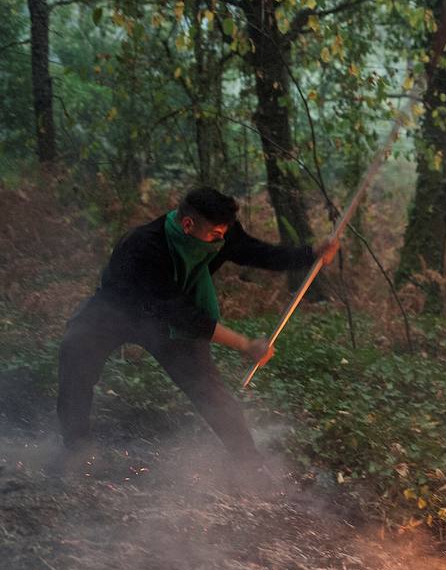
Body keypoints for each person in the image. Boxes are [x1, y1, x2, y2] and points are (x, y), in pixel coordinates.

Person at [53, 186, 338, 472]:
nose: (221, 242)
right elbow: (182, 315)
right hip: (118, 310)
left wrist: (310, 254)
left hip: (170, 319)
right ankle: (77, 449)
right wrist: (244, 344)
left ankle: (249, 464)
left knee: (208, 390)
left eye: (225, 234)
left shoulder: (220, 232)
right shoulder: (143, 247)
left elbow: (256, 252)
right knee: (76, 351)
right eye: (215, 235)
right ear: (188, 225)